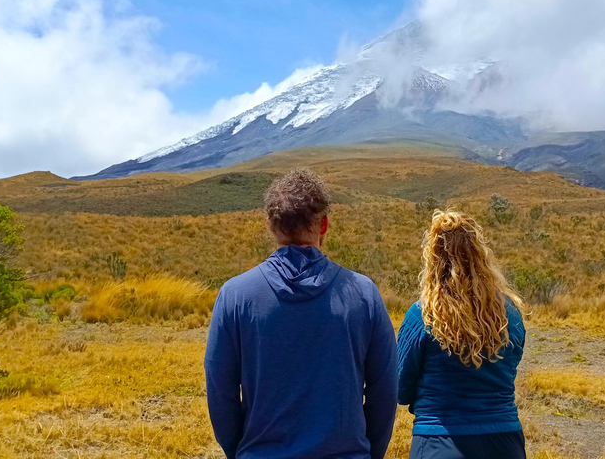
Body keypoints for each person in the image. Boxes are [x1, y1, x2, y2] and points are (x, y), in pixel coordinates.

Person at [204, 169, 398, 459]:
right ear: (324, 225)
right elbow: (385, 389)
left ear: (271, 225)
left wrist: (242, 451)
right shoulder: (363, 294)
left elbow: (220, 390)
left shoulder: (235, 296)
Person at [397, 210, 526, 459]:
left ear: (434, 258)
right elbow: (511, 367)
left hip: (438, 440)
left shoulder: (422, 315)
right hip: (503, 440)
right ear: (480, 254)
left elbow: (401, 388)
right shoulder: (510, 313)